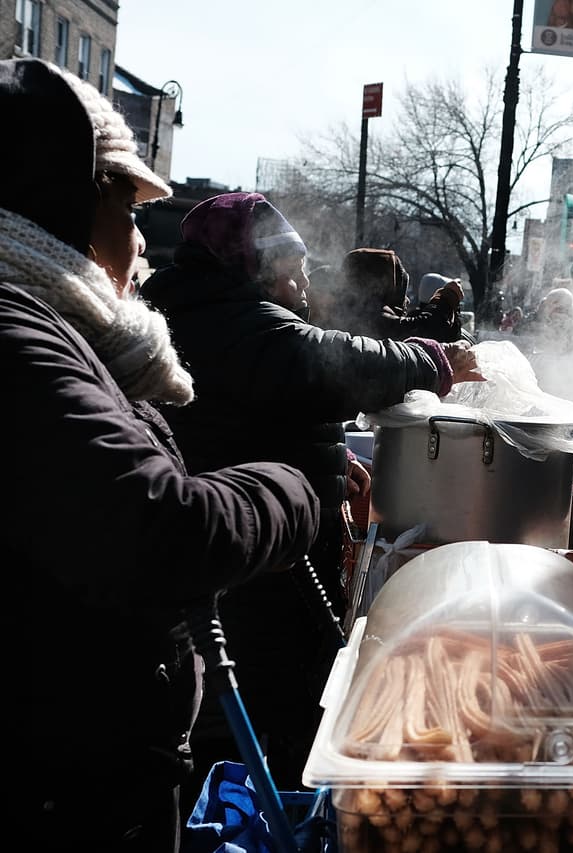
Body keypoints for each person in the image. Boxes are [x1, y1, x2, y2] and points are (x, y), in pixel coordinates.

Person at [1, 58, 320, 852]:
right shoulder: (16, 330)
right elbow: (155, 528)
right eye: (127, 205)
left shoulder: (67, 326)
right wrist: (295, 488)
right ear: (66, 202)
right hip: (58, 798)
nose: (142, 238)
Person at [140, 192, 483, 799]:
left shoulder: (205, 305)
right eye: (293, 266)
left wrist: (333, 461)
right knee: (280, 693)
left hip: (249, 537)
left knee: (269, 686)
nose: (304, 279)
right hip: (259, 555)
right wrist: (434, 358)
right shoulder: (229, 315)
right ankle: (282, 804)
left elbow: (259, 407)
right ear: (257, 263)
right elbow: (330, 363)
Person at [381, 270, 472, 343]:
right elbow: (431, 325)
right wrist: (444, 302)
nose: (407, 300)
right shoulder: (432, 326)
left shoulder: (410, 320)